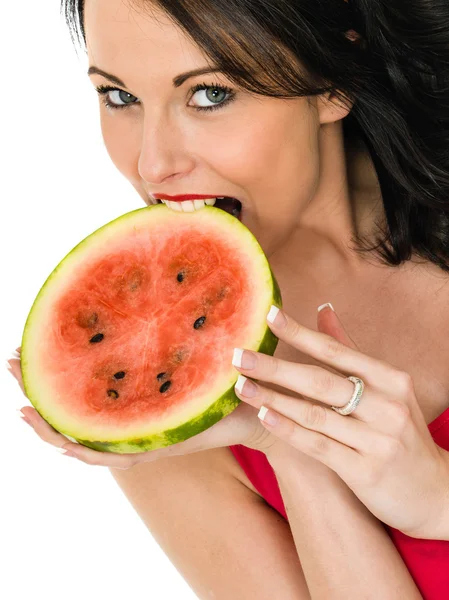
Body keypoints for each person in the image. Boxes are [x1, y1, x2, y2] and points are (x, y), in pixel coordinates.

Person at [7, 0, 449, 597]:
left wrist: (437, 500)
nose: (153, 163)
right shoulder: (167, 413)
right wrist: (283, 443)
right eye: (119, 97)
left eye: (210, 95)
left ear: (334, 82)